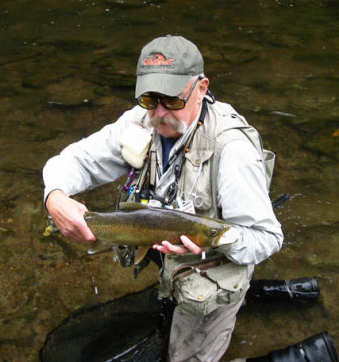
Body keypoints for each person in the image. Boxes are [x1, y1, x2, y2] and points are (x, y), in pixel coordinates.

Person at [43, 35, 283, 362]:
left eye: (170, 100)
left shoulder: (234, 151)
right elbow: (76, 161)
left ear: (201, 88)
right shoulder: (142, 120)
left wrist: (215, 242)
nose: (158, 113)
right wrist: (55, 197)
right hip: (162, 243)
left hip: (211, 270)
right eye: (148, 98)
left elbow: (267, 239)